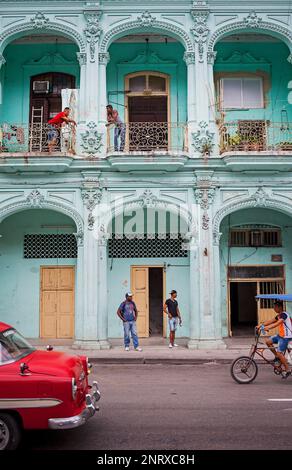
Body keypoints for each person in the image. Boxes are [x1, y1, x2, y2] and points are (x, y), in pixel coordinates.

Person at [257, 300, 292, 379]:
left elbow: (277, 323)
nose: (274, 308)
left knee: (280, 352)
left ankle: (287, 369)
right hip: (280, 335)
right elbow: (271, 321)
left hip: (286, 337)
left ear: (280, 307)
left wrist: (267, 328)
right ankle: (277, 356)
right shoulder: (279, 315)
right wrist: (260, 325)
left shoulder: (284, 315)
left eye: (275, 307)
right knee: (268, 342)